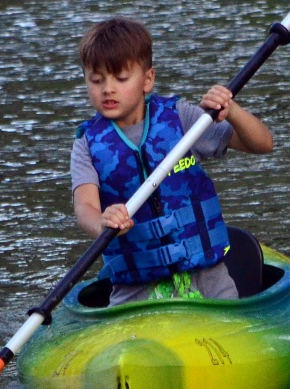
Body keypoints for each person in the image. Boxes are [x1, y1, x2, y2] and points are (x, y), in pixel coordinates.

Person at [70, 17, 274, 305]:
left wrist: (233, 111)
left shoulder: (180, 118)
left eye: (121, 78)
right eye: (96, 80)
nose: (108, 89)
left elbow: (263, 144)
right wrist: (102, 223)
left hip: (207, 280)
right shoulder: (87, 142)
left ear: (147, 79)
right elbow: (84, 207)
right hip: (136, 289)